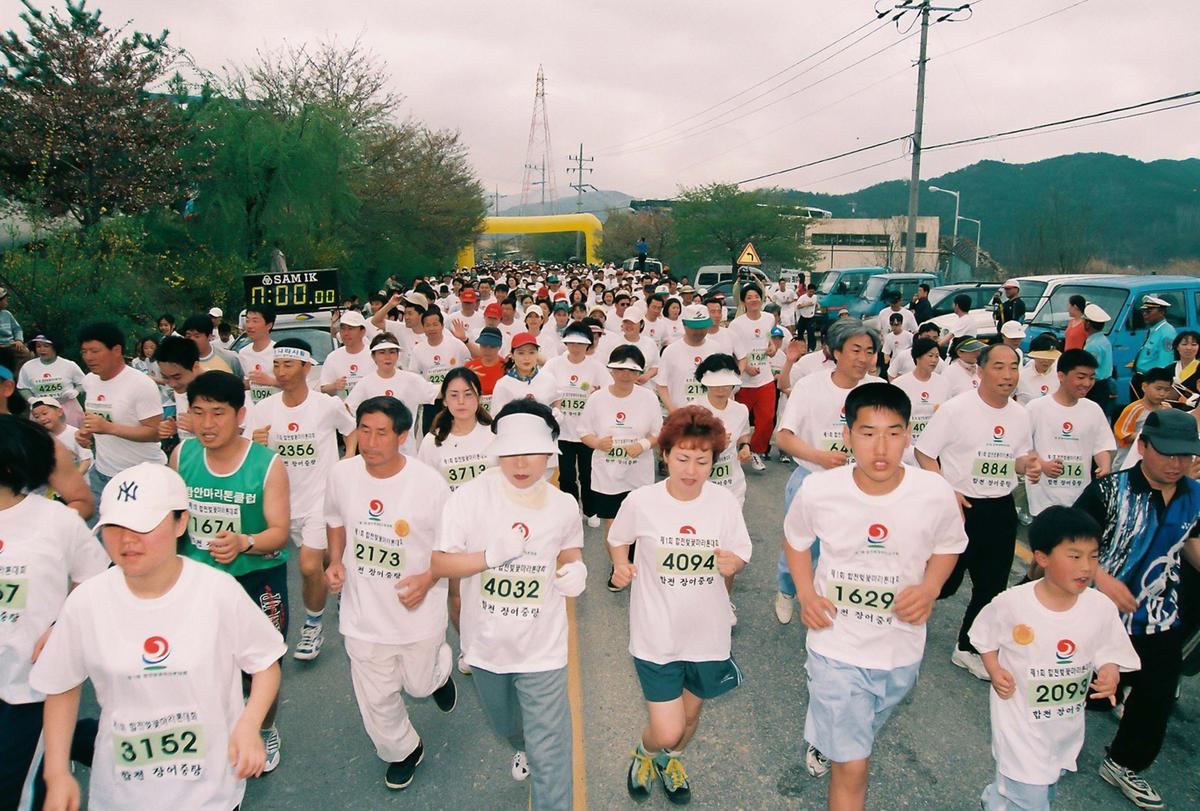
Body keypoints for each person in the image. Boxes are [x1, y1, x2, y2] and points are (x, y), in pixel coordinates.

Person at [29, 463, 285, 811]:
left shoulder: (216, 591)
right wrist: (57, 774)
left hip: (209, 791)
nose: (127, 540)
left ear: (181, 522)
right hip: (123, 792)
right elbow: (61, 685)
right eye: (115, 526)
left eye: (144, 526)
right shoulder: (86, 601)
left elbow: (266, 663)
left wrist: (249, 725)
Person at [785, 383, 966, 809]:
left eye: (893, 433)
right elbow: (796, 540)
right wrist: (807, 594)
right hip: (836, 647)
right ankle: (834, 740)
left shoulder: (934, 492)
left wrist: (931, 587)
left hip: (900, 650)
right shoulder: (821, 490)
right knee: (854, 766)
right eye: (867, 433)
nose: (880, 447)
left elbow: (949, 544)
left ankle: (826, 733)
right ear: (847, 436)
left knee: (861, 730)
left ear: (908, 436)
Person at [431, 401, 586, 811]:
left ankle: (542, 765)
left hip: (543, 647)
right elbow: (440, 562)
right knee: (505, 723)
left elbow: (570, 550)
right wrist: (487, 557)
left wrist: (575, 570)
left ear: (549, 452)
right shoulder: (468, 498)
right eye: (511, 452)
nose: (521, 463)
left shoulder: (563, 505)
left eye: (531, 452)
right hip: (486, 646)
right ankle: (521, 743)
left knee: (551, 748)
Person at [609, 406, 751, 805]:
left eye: (702, 460)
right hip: (656, 635)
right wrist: (621, 564)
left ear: (713, 460)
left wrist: (734, 562)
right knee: (668, 727)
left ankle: (670, 760)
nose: (691, 469)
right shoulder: (642, 501)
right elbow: (619, 538)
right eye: (682, 458)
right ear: (665, 455)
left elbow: (741, 549)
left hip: (708, 635)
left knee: (689, 719)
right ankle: (647, 751)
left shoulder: (723, 503)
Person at [324, 397, 458, 791]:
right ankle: (402, 750)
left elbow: (449, 546)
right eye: (363, 429)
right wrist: (335, 562)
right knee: (377, 698)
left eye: (381, 432)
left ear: (402, 436)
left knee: (417, 685)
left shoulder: (429, 484)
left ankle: (438, 672)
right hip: (363, 614)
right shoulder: (342, 474)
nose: (370, 440)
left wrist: (429, 579)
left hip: (416, 612)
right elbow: (334, 519)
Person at [970, 506, 1140, 811]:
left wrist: (1111, 672)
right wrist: (994, 670)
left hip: (1064, 729)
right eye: (1074, 556)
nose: (1086, 567)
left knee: (1043, 784)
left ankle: (997, 798)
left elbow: (1108, 647)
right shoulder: (1013, 604)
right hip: (1020, 728)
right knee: (1032, 797)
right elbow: (983, 636)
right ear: (1042, 557)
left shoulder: (1100, 607)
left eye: (1094, 556)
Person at [1072, 408, 1200, 810]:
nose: (1177, 464)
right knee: (1072, 684)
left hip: (1160, 612)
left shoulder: (1194, 495)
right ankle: (1042, 746)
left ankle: (1123, 762)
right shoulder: (1108, 491)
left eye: (1186, 455)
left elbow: (1191, 543)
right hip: (1098, 612)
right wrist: (1103, 580)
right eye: (1167, 453)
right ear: (1142, 447)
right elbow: (1070, 545)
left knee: (1157, 694)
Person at [170, 370, 291, 772]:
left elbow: (279, 533)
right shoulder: (181, 456)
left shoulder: (268, 464)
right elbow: (168, 521)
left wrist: (245, 542)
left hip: (257, 580)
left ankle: (264, 728)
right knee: (199, 661)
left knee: (263, 665)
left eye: (217, 413)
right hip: (197, 583)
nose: (207, 424)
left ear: (241, 415)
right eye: (198, 412)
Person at [0, 417, 109, 811]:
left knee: (13, 791)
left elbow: (95, 580)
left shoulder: (55, 521)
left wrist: (61, 627)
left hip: (28, 685)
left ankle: (70, 744)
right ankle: (83, 740)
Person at [915, 344, 1041, 680]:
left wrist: (1029, 465)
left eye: (1014, 367)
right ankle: (901, 614)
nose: (1008, 375)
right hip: (960, 507)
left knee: (992, 585)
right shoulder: (956, 410)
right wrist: (946, 489)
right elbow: (925, 453)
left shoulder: (1020, 414)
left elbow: (1018, 457)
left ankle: (968, 647)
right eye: (999, 367)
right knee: (945, 583)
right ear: (980, 371)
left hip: (1000, 507)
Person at [244, 338, 356, 661]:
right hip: (281, 504)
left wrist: (348, 457)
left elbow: (351, 431)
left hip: (321, 500)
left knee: (308, 564)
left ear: (307, 367)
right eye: (276, 364)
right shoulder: (263, 410)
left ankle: (312, 626)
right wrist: (255, 442)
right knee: (319, 564)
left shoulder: (326, 405)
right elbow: (250, 454)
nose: (280, 371)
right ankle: (336, 579)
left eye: (288, 364)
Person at [580, 345, 664, 591]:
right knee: (613, 523)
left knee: (640, 522)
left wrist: (644, 444)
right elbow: (584, 432)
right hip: (607, 474)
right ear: (611, 369)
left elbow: (658, 432)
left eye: (631, 370)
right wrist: (597, 443)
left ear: (639, 371)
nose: (625, 375)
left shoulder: (648, 397)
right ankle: (619, 566)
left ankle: (639, 564)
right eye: (619, 369)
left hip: (638, 474)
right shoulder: (597, 399)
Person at [75, 322, 166, 515]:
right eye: (84, 352)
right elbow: (97, 420)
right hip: (102, 473)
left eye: (94, 351)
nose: (88, 357)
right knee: (96, 537)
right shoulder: (89, 381)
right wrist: (86, 434)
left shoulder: (140, 384)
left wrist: (109, 428)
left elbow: (156, 432)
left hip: (141, 475)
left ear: (116, 350)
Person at [1026, 349, 1116, 518]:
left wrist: (1105, 465)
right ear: (1061, 376)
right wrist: (1043, 465)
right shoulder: (1036, 408)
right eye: (1081, 377)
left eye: (1091, 377)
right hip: (1044, 500)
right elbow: (1024, 446)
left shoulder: (1093, 409)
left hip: (1080, 498)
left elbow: (1102, 445)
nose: (1087, 383)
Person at [541, 323, 608, 526]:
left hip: (587, 432)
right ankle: (572, 509)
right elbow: (541, 389)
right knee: (567, 476)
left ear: (589, 345)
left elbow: (608, 393)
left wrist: (597, 395)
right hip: (562, 432)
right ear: (566, 342)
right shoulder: (553, 364)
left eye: (581, 343)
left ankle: (591, 509)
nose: (576, 347)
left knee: (588, 474)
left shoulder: (596, 367)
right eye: (572, 342)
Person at [345, 334, 439, 457]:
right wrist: (350, 451)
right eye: (382, 352)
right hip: (376, 454)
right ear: (373, 356)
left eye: (392, 352)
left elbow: (439, 392)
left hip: (407, 454)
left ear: (397, 355)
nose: (387, 357)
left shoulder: (412, 380)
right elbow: (347, 411)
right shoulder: (365, 384)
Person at [729, 282, 777, 472]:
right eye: (749, 297)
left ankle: (755, 451)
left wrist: (773, 348)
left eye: (756, 296)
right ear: (743, 302)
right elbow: (732, 350)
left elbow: (770, 340)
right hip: (744, 382)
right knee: (739, 420)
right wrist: (746, 366)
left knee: (766, 419)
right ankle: (733, 452)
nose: (754, 300)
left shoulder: (768, 318)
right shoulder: (737, 324)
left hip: (765, 379)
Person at [408, 307, 469, 435]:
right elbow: (414, 378)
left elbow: (468, 366)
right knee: (431, 435)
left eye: (435, 324)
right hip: (432, 401)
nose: (432, 328)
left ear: (442, 326)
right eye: (428, 325)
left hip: (455, 399)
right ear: (423, 328)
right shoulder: (418, 350)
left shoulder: (456, 345)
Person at [891, 337, 950, 466]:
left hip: (935, 450)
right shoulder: (899, 384)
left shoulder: (944, 383)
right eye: (930, 356)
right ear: (917, 357)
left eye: (937, 356)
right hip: (906, 450)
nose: (934, 360)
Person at [657, 304, 723, 412]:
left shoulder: (716, 348)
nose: (699, 332)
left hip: (710, 414)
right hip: (681, 413)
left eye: (703, 327)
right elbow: (661, 385)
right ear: (684, 324)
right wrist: (672, 409)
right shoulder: (671, 351)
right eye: (695, 328)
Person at [17, 335, 86, 426]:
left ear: (55, 347)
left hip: (67, 408)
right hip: (40, 409)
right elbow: (22, 387)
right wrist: (30, 399)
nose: (42, 349)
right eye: (38, 346)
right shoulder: (28, 366)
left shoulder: (69, 365)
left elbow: (84, 383)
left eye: (46, 346)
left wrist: (76, 391)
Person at [153, 335, 202, 449]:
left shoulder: (220, 388)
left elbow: (240, 433)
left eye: (177, 377)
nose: (172, 384)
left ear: (195, 366)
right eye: (165, 377)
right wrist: (174, 428)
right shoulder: (181, 388)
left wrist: (199, 429)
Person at [1113, 366, 1174, 458]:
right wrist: (1151, 435)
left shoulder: (1167, 408)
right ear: (1144, 387)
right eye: (1158, 389)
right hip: (1129, 458)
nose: (1162, 393)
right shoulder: (1134, 409)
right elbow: (1123, 434)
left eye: (1166, 390)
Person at [491, 332, 553, 416]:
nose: (526, 358)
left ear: (537, 354)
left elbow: (556, 400)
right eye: (521, 353)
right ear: (512, 355)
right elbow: (496, 417)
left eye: (531, 352)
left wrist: (556, 413)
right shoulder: (502, 384)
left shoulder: (548, 379)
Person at [30, 397, 92, 475]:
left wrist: (74, 478)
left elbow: (87, 460)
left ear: (59, 411)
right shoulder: (41, 439)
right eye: (37, 417)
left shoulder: (75, 433)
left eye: (45, 413)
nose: (42, 418)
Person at [322, 309, 374, 399]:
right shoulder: (333, 357)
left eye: (351, 329)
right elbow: (323, 388)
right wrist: (334, 386)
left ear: (362, 331)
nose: (346, 333)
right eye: (343, 329)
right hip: (343, 410)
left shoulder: (374, 355)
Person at [1132, 295, 1176, 401]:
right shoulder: (1155, 329)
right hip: (1142, 378)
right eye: (1143, 311)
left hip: (1151, 381)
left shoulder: (1167, 333)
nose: (1145, 314)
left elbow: (1165, 364)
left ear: (1161, 312)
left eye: (1149, 311)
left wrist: (1155, 386)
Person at [238, 303, 279, 405]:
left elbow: (292, 383)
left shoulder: (279, 351)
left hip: (276, 407)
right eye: (247, 321)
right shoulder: (243, 353)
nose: (250, 325)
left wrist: (269, 381)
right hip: (253, 410)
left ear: (269, 325)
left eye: (255, 321)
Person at [1082, 304, 1116, 418]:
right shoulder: (1103, 340)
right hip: (1105, 383)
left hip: (1096, 386)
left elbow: (1088, 367)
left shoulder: (1093, 345)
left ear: (1088, 324)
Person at [465, 326, 506, 413]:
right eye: (483, 346)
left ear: (499, 346)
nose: (487, 350)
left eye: (492, 346)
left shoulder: (506, 367)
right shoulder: (470, 367)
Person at [1016, 335, 1062, 406]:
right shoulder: (1020, 376)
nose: (1046, 360)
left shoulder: (1060, 377)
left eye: (1050, 357)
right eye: (1042, 356)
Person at [1170, 329, 1200, 396]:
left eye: (1194, 344)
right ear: (1177, 347)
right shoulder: (1168, 370)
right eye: (1184, 344)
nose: (1189, 348)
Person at [0, 287, 27, 360]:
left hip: (10, 344)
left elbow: (17, 329)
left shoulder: (7, 314)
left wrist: (18, 340)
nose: (7, 301)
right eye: (5, 299)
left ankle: (18, 371)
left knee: (26, 354)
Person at [796, 283, 819, 350]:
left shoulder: (815, 297)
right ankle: (800, 347)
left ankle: (811, 348)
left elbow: (816, 304)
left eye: (813, 292)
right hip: (803, 317)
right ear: (807, 290)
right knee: (800, 333)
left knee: (811, 333)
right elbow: (798, 306)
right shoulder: (803, 297)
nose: (811, 293)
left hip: (811, 317)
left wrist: (816, 307)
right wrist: (806, 304)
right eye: (810, 291)